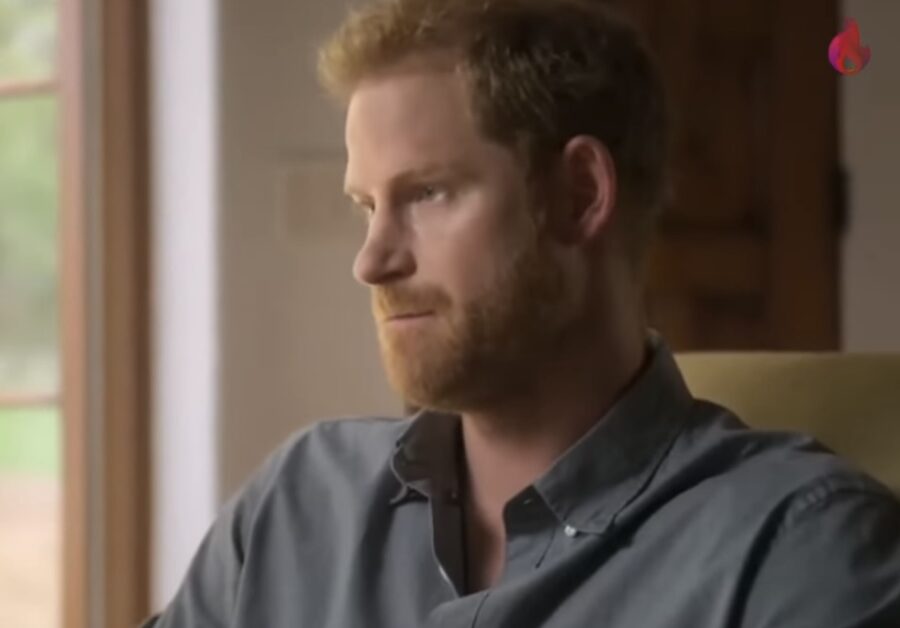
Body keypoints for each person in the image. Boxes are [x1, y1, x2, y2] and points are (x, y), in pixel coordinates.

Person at [144, 1, 900, 626]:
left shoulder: (801, 553)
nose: (371, 261)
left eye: (427, 193)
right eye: (367, 206)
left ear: (579, 195)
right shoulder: (297, 504)